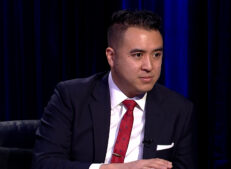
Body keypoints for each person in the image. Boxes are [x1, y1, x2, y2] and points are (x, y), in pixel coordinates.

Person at [32, 9, 195, 169]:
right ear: (111, 56)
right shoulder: (71, 97)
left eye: (156, 55)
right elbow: (44, 163)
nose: (149, 66)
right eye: (138, 55)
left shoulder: (178, 109)